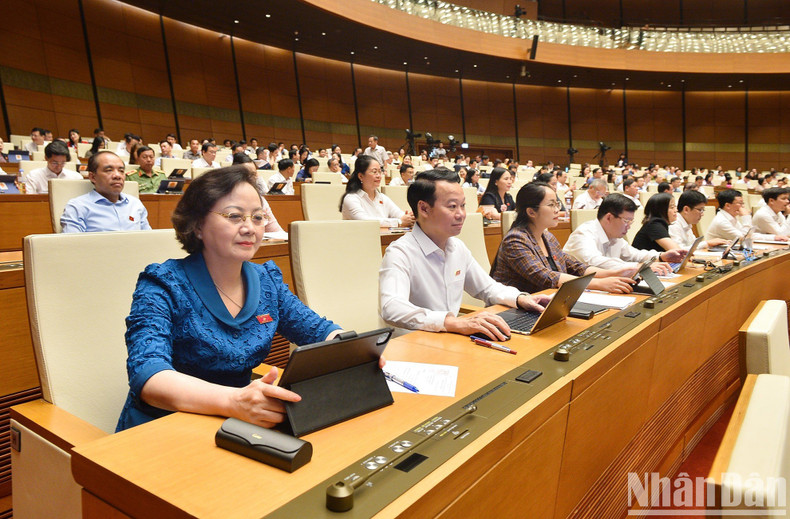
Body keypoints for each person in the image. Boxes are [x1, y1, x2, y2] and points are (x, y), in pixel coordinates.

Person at [116, 166, 342, 431]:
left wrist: (352, 351)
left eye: (258, 218)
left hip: (239, 422)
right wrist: (233, 401)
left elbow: (317, 331)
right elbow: (149, 375)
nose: (250, 228)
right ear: (198, 225)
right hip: (167, 424)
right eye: (234, 216)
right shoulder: (163, 282)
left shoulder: (267, 279)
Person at [379, 169, 550, 341]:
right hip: (415, 344)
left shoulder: (457, 247)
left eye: (463, 205)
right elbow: (392, 307)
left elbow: (487, 288)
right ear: (423, 208)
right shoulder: (400, 252)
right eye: (452, 206)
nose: (461, 214)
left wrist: (521, 298)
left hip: (451, 340)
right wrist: (453, 322)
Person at [491, 183, 635, 294]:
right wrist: (600, 284)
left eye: (557, 204)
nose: (557, 210)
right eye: (551, 205)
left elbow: (576, 267)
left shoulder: (548, 237)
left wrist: (614, 273)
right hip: (513, 312)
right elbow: (547, 277)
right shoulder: (515, 240)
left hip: (547, 304)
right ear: (531, 212)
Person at [563, 193, 685, 276]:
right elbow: (595, 262)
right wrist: (639, 267)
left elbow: (636, 255)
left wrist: (662, 256)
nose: (629, 226)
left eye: (631, 221)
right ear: (609, 217)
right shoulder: (584, 233)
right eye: (626, 221)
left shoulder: (615, 236)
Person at [60, 151, 151, 233]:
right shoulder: (77, 207)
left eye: (121, 171)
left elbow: (149, 240)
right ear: (92, 177)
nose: (117, 175)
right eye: (109, 170)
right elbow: (72, 246)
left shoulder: (135, 204)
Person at [340, 155, 415, 227]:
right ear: (361, 176)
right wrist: (399, 222)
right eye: (374, 172)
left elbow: (398, 213)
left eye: (380, 171)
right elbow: (365, 222)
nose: (379, 175)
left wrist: (409, 217)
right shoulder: (351, 198)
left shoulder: (382, 197)